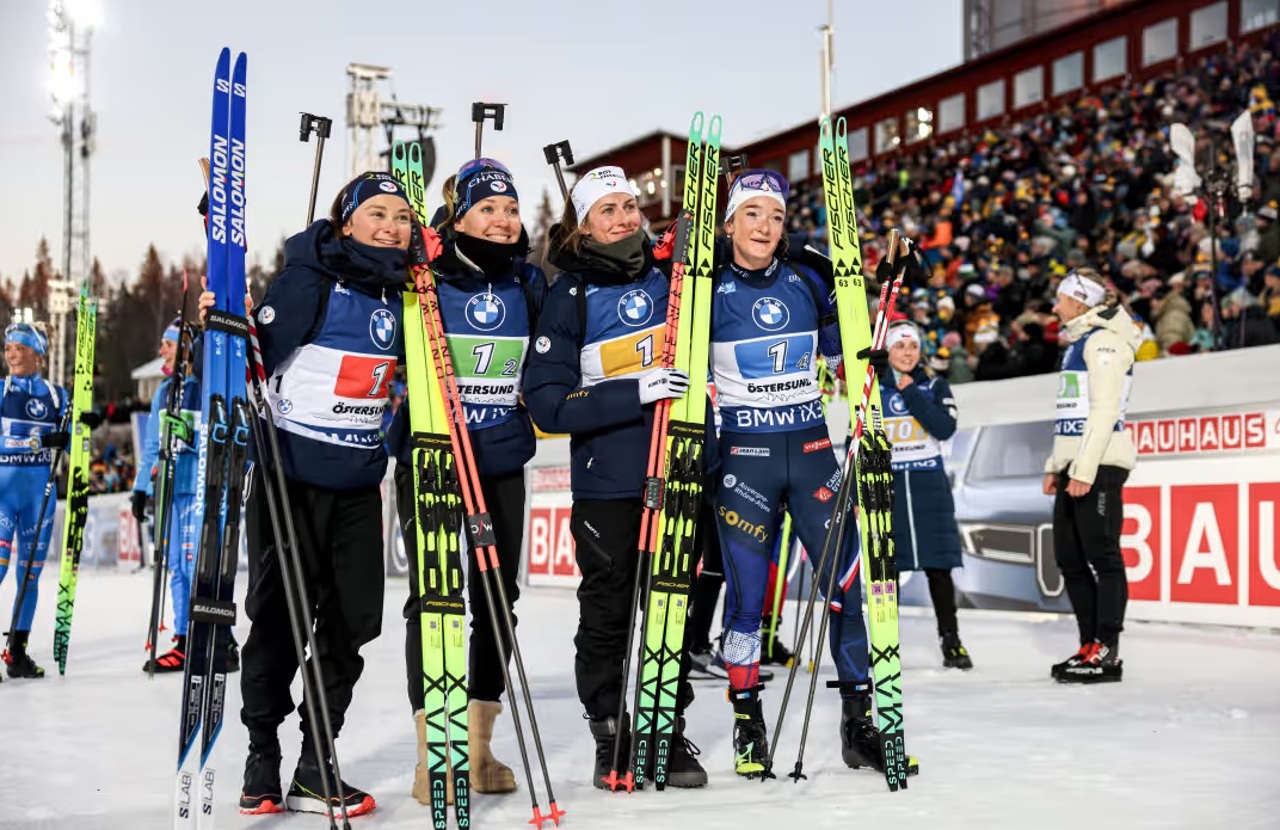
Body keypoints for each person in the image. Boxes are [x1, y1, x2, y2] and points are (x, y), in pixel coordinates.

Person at [225, 171, 410, 816]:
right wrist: (221, 327)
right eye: (378, 214)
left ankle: (316, 759)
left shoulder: (407, 293)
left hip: (359, 483)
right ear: (346, 222)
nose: (391, 227)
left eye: (403, 218)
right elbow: (243, 359)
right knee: (279, 618)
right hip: (291, 479)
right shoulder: (310, 280)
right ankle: (262, 755)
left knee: (353, 622)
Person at [523, 165, 708, 789]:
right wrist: (635, 389)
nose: (626, 217)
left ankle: (665, 726)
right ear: (584, 226)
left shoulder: (673, 278)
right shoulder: (569, 294)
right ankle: (610, 732)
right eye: (609, 210)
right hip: (609, 480)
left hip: (679, 467)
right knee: (610, 608)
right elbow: (547, 404)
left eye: (631, 205)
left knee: (672, 606)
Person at [707, 169, 885, 777]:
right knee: (748, 603)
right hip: (744, 463)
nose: (764, 226)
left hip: (812, 454)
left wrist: (863, 333)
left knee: (846, 587)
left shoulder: (807, 280)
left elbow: (844, 360)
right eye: (751, 213)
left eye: (775, 216)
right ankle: (747, 721)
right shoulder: (707, 290)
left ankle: (859, 720)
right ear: (729, 223)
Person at [386, 158, 546, 801]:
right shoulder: (419, 275)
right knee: (434, 599)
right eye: (489, 209)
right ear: (458, 218)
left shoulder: (529, 283)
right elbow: (342, 273)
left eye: (510, 209)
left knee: (497, 599)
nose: (504, 221)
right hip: (430, 454)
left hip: (500, 456)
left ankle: (476, 745)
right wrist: (398, 263)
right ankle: (434, 752)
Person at [1043, 267, 1139, 684]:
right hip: (1075, 465)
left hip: (1099, 464)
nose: (1055, 306)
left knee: (1103, 556)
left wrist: (1084, 469)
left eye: (1061, 299)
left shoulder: (1105, 343)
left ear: (1080, 302)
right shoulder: (1078, 343)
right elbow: (1070, 414)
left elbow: (1104, 412)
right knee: (1069, 557)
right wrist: (1055, 466)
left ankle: (1108, 651)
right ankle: (1089, 644)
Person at [134, 319, 240, 674]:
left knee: (200, 565)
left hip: (200, 489)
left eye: (169, 343)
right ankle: (183, 639)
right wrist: (140, 489)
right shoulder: (165, 391)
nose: (162, 350)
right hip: (172, 488)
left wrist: (190, 436)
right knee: (176, 567)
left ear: (188, 348)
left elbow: (218, 439)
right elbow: (152, 445)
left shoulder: (206, 387)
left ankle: (218, 637)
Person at [876, 320, 971, 669]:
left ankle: (952, 641)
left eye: (912, 346)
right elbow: (859, 441)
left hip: (929, 484)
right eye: (899, 346)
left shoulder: (934, 385)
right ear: (888, 351)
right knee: (887, 570)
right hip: (890, 486)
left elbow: (944, 428)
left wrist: (910, 390)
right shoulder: (873, 389)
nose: (907, 353)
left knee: (939, 567)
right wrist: (858, 496)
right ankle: (885, 645)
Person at [0, 321, 87, 679]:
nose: (11, 354)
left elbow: (75, 443)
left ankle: (16, 652)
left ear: (38, 353)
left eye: (19, 348)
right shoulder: (2, 390)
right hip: (4, 494)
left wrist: (73, 434)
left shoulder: (56, 396)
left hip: (40, 496)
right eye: (8, 349)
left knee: (30, 576)